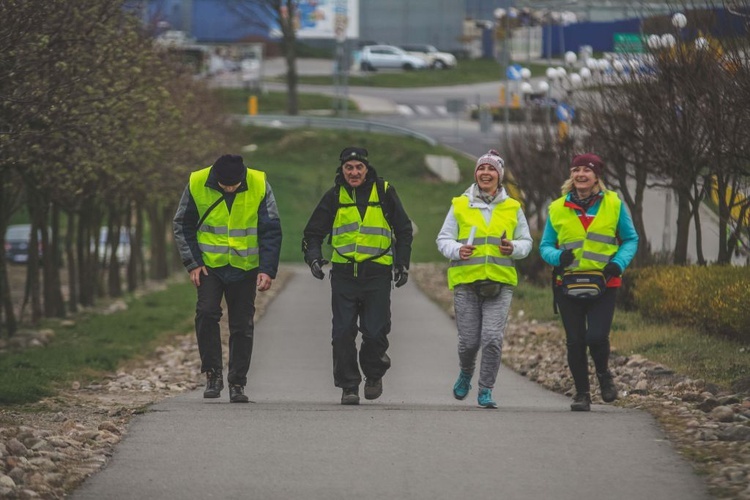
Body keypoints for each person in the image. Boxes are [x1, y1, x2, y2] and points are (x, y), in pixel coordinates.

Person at [302, 146, 413, 405]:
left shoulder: (384, 193)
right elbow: (313, 233)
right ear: (342, 170)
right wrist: (314, 259)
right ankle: (349, 385)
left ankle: (374, 374)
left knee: (375, 333)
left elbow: (404, 230)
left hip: (377, 276)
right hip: (344, 276)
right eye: (348, 168)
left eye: (358, 167)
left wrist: (402, 264)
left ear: (367, 169)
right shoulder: (334, 197)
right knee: (342, 333)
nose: (354, 172)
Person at [173, 154, 282, 403]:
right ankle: (213, 375)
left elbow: (271, 229)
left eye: (234, 185)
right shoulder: (197, 182)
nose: (230, 188)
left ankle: (237, 383)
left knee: (242, 325)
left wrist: (267, 269)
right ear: (216, 178)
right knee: (207, 313)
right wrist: (193, 263)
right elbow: (182, 224)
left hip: (246, 267)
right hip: (209, 266)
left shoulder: (259, 182)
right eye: (225, 185)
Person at [539, 153, 638, 412]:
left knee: (596, 336)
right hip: (567, 284)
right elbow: (545, 245)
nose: (580, 174)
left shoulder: (614, 204)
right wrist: (558, 256)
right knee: (575, 340)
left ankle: (604, 375)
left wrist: (618, 264)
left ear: (597, 176)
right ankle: (582, 394)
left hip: (605, 284)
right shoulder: (557, 207)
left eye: (586, 170)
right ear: (571, 175)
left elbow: (630, 239)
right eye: (576, 170)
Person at [436, 150, 532, 409]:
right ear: (476, 174)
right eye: (481, 169)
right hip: (466, 281)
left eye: (491, 170)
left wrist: (513, 247)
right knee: (469, 342)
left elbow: (526, 242)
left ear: (499, 177)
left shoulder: (513, 207)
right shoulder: (460, 204)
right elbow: (443, 239)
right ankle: (466, 372)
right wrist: (457, 250)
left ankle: (486, 389)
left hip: (500, 283)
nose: (485, 173)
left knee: (491, 338)